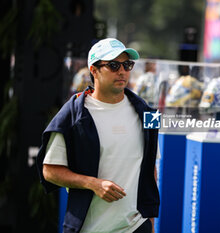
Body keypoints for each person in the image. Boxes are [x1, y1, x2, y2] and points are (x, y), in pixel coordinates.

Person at [36, 38, 160, 233]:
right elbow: (50, 171)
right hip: (90, 228)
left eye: (127, 65)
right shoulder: (72, 115)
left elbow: (150, 168)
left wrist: (150, 222)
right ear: (94, 70)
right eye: (113, 65)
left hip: (137, 225)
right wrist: (92, 183)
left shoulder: (147, 112)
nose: (122, 71)